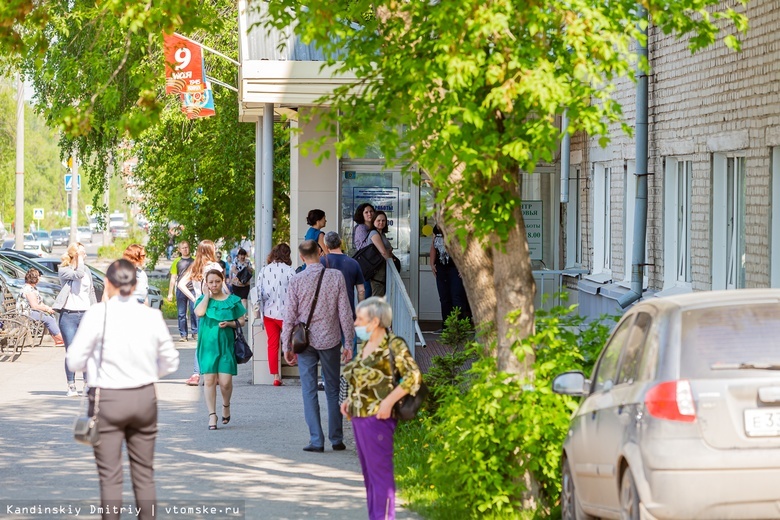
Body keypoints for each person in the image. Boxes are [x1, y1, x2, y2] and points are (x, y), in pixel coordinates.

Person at [65, 259, 180, 520]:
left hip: (107, 399)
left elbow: (74, 361)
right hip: (144, 397)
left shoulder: (97, 314)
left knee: (110, 476)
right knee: (144, 473)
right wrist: (148, 372)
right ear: (136, 284)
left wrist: (94, 366)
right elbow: (170, 361)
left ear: (108, 283)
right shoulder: (151, 316)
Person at [341, 297, 423, 520]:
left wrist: (387, 402)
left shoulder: (393, 344)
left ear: (375, 321)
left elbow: (413, 377)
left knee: (380, 475)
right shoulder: (368, 344)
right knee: (369, 474)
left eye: (360, 319)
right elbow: (363, 378)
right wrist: (350, 400)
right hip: (359, 416)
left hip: (378, 418)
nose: (355, 323)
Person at [281, 240, 355, 452]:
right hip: (330, 340)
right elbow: (345, 312)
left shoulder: (296, 280)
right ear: (321, 253)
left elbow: (289, 317)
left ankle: (316, 440)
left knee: (309, 390)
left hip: (304, 343)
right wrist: (348, 342)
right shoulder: (336, 277)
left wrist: (286, 345)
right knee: (332, 389)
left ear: (302, 258)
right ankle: (336, 439)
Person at [194, 269, 246, 430]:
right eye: (211, 282)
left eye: (217, 281)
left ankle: (226, 405)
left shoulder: (232, 300)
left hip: (226, 345)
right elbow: (200, 313)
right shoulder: (203, 300)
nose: (214, 285)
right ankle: (212, 415)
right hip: (207, 346)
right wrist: (206, 295)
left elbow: (241, 321)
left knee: (225, 382)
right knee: (209, 381)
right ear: (206, 284)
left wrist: (229, 324)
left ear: (222, 281)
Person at [178, 240, 225, 385]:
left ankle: (196, 374)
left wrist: (194, 298)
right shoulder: (215, 266)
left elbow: (180, 284)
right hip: (214, 306)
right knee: (215, 341)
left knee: (201, 341)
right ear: (210, 250)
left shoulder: (195, 266)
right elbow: (222, 287)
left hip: (199, 305)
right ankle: (213, 374)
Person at [56, 242, 97, 396]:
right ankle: (71, 386)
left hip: (86, 314)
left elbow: (91, 291)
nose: (85, 254)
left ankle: (87, 384)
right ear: (74, 254)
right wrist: (79, 260)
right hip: (68, 316)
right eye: (82, 252)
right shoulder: (64, 270)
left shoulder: (87, 270)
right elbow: (78, 275)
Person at [320, 232, 365, 354]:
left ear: (326, 245)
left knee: (328, 352)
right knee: (351, 347)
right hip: (348, 310)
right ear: (340, 242)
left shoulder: (321, 263)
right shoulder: (353, 263)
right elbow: (361, 290)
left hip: (327, 312)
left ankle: (328, 374)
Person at [257, 243, 296, 386]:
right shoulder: (290, 271)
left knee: (272, 344)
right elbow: (295, 292)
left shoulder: (264, 271)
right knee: (291, 340)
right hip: (286, 313)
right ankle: (294, 362)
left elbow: (259, 292)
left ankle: (275, 376)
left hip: (268, 313)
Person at [430, 225, 472, 329]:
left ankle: (459, 326)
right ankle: (446, 326)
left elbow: (465, 248)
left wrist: (464, 266)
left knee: (457, 297)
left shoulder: (457, 227)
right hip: (441, 268)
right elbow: (433, 247)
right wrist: (431, 264)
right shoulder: (436, 228)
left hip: (455, 268)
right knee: (444, 298)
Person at [18, 268, 64, 346]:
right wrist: (46, 309)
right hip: (26, 312)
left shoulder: (33, 288)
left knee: (50, 316)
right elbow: (34, 306)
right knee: (48, 319)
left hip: (31, 311)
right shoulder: (28, 289)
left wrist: (48, 308)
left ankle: (58, 340)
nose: (40, 278)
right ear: (34, 278)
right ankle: (62, 339)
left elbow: (40, 303)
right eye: (39, 276)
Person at [167, 241, 198, 345]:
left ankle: (195, 332)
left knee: (194, 310)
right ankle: (183, 335)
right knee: (181, 313)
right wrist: (170, 293)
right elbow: (173, 278)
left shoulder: (194, 260)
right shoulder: (177, 261)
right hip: (181, 290)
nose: (185, 249)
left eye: (187, 247)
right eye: (183, 248)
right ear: (179, 250)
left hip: (193, 289)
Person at [367, 210, 394, 297]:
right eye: (378, 220)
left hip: (382, 269)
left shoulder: (382, 234)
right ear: (373, 221)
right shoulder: (374, 233)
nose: (381, 223)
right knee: (377, 297)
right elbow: (383, 252)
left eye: (383, 221)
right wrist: (390, 258)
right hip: (377, 270)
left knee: (380, 296)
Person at [352, 202, 376, 298]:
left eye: (371, 211)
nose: (369, 214)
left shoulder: (373, 227)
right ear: (361, 214)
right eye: (366, 212)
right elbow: (364, 247)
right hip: (365, 264)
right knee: (367, 291)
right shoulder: (361, 228)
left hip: (372, 264)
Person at [229, 248, 254, 314]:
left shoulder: (248, 261)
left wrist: (247, 266)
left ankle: (243, 314)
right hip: (237, 284)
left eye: (244, 255)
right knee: (237, 300)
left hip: (245, 284)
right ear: (238, 255)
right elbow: (233, 269)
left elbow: (251, 271)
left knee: (244, 299)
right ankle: (237, 314)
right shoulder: (235, 261)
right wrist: (240, 275)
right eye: (241, 255)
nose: (242, 256)